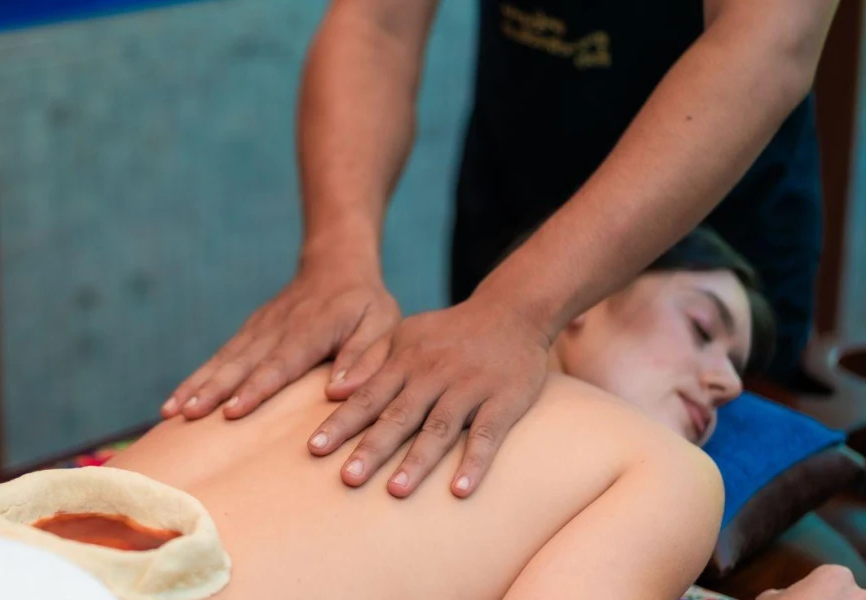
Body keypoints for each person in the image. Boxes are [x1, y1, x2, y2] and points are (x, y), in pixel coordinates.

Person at [164, 0, 838, 498]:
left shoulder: (665, 483)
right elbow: (377, 24)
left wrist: (520, 306)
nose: (724, 383)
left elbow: (765, 46)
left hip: (712, 192)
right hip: (521, 159)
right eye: (700, 333)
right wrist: (336, 256)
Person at [109, 229, 862, 598]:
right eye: (702, 328)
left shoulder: (330, 352)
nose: (727, 384)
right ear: (585, 296)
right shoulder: (664, 470)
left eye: (737, 367)